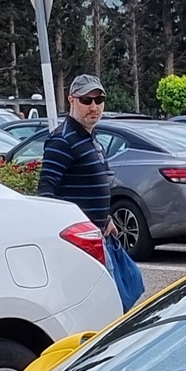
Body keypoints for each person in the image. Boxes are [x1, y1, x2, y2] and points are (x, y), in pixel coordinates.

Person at [40, 74, 143, 309]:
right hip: (79, 243)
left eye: (99, 100)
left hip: (100, 235)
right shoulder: (62, 140)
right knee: (103, 306)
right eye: (86, 100)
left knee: (128, 290)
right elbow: (46, 193)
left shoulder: (89, 137)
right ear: (71, 101)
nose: (94, 107)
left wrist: (106, 218)